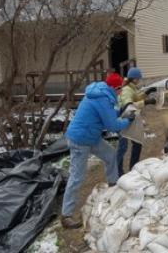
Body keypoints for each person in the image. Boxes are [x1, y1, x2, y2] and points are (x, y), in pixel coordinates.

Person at [61, 81, 134, 229]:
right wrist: (127, 121)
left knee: (110, 154)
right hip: (79, 140)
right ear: (115, 88)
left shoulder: (102, 95)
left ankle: (113, 184)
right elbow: (112, 126)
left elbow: (108, 114)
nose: (120, 93)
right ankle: (66, 216)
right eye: (119, 90)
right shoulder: (102, 98)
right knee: (77, 176)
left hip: (91, 136)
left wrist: (120, 112)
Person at [116, 67, 157, 176]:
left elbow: (136, 97)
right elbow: (128, 105)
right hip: (123, 118)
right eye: (138, 78)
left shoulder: (131, 88)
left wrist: (146, 92)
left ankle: (133, 168)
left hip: (131, 117)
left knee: (137, 143)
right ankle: (118, 171)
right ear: (134, 79)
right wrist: (146, 102)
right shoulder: (126, 90)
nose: (139, 80)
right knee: (123, 146)